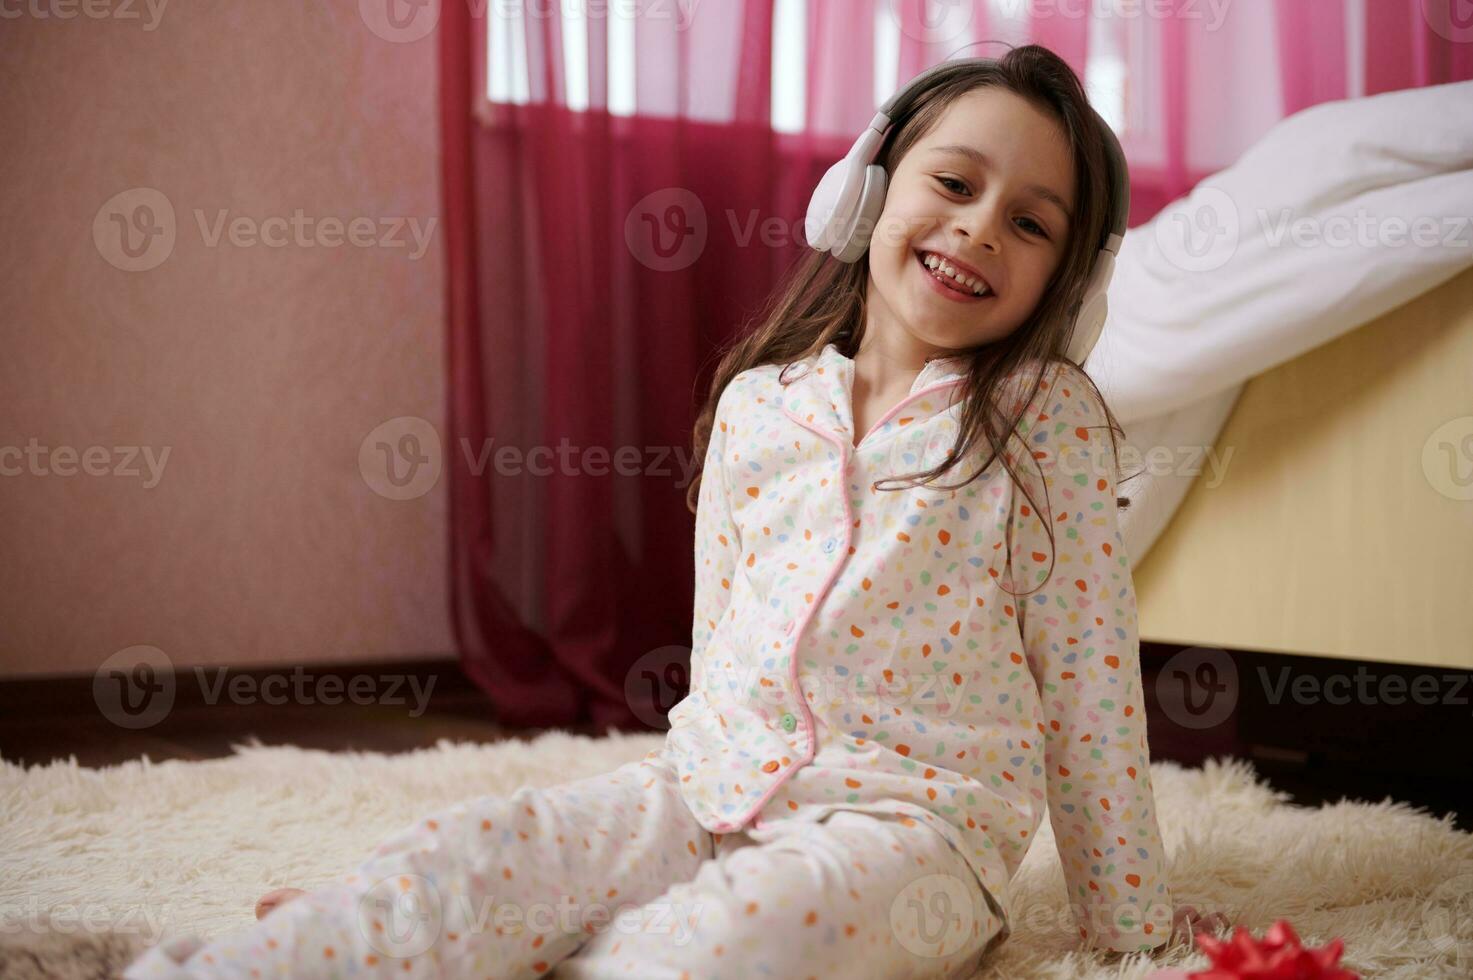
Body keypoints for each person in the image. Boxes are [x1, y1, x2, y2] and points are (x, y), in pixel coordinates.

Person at [124, 44, 1229, 980]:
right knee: (486, 846)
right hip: (710, 786)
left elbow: (1089, 684)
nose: (981, 227)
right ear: (866, 191)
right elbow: (725, 642)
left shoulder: (1047, 427)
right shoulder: (763, 403)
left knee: (737, 935)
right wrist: (681, 794)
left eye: (1030, 223)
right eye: (954, 183)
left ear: (1068, 286)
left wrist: (1133, 930)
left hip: (915, 833)